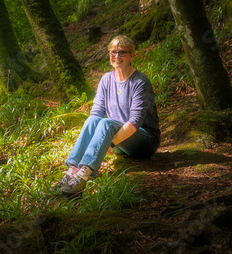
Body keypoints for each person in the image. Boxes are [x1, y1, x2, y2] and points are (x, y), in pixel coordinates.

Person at [52, 35, 160, 196]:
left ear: (132, 55)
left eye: (122, 52)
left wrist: (109, 142)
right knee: (94, 119)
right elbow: (96, 113)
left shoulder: (140, 81)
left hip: (144, 140)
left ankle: (83, 175)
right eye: (113, 52)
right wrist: (104, 140)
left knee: (105, 123)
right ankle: (72, 171)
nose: (117, 56)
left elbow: (135, 121)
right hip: (120, 142)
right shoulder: (106, 79)